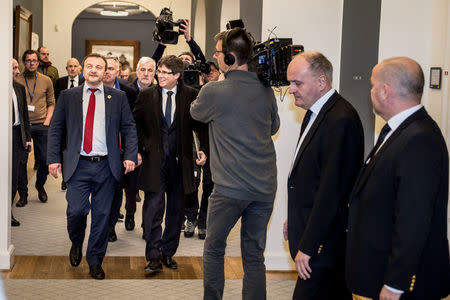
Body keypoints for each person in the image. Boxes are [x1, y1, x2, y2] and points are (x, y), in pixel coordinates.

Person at [346, 57, 450, 300]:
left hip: (406, 285)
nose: (370, 92)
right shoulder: (401, 130)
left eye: (372, 86)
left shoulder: (419, 139)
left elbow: (413, 220)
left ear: (384, 91)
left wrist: (395, 284)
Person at [190, 28, 280, 300]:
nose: (214, 57)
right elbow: (274, 126)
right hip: (264, 187)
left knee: (214, 249)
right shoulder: (266, 91)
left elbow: (195, 112)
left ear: (229, 57)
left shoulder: (213, 90)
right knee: (254, 255)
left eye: (217, 52)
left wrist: (211, 83)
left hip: (229, 189)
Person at [47, 53, 138, 280]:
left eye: (99, 67)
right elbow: (56, 129)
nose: (94, 70)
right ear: (82, 70)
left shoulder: (118, 97)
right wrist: (52, 158)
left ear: (106, 71)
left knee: (102, 216)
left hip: (107, 165)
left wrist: (130, 155)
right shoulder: (68, 96)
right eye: (90, 66)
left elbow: (129, 127)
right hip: (78, 165)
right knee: (76, 211)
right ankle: (76, 242)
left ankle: (95, 260)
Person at [284, 52, 364, 299]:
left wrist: (309, 244)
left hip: (324, 244)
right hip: (316, 234)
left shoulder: (341, 119)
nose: (290, 90)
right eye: (290, 82)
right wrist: (294, 218)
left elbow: (333, 191)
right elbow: (310, 178)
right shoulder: (316, 112)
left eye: (297, 83)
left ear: (321, 82)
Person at [133, 55, 206, 274]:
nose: (159, 76)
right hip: (154, 162)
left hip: (180, 164)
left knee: (176, 212)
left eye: (165, 72)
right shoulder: (146, 96)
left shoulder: (192, 96)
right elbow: (134, 126)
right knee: (153, 210)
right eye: (159, 71)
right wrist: (140, 147)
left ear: (177, 75)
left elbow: (201, 126)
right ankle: (153, 256)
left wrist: (203, 149)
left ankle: (167, 253)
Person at [103, 56, 138, 241]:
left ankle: (113, 223)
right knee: (105, 190)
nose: (107, 71)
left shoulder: (129, 91)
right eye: (104, 68)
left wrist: (133, 151)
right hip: (98, 150)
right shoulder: (89, 88)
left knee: (119, 188)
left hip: (121, 149)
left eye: (111, 68)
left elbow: (133, 124)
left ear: (117, 71)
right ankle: (106, 224)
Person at [15, 49, 55, 207]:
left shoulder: (46, 80)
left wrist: (47, 121)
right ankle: (23, 194)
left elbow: (51, 102)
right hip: (22, 127)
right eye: (28, 60)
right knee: (21, 162)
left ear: (38, 63)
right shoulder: (16, 79)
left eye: (34, 60)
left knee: (44, 160)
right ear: (24, 62)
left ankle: (40, 185)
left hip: (42, 125)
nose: (31, 63)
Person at [53, 57, 85, 191]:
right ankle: (65, 177)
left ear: (79, 69)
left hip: (80, 121)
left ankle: (76, 174)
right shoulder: (59, 82)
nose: (72, 69)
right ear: (66, 69)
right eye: (70, 66)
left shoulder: (85, 82)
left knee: (77, 148)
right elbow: (55, 101)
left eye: (75, 66)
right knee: (64, 149)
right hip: (64, 120)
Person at [11, 59, 32, 226]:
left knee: (15, 177)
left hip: (18, 135)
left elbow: (24, 115)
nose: (18, 71)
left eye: (18, 67)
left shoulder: (18, 88)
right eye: (14, 68)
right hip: (5, 136)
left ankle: (7, 212)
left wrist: (28, 138)